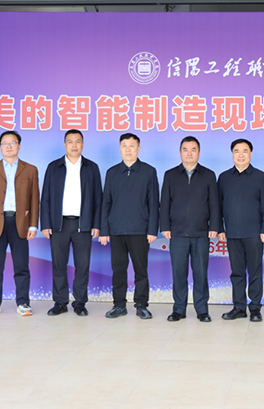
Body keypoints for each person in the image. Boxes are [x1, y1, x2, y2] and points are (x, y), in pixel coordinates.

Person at [40, 129, 102, 317]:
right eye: (70, 141)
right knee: (59, 264)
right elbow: (46, 197)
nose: (74, 145)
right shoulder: (54, 167)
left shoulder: (91, 167)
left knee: (82, 265)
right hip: (59, 224)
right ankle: (60, 302)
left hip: (83, 224)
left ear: (83, 144)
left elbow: (98, 198)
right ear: (65, 144)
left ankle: (80, 302)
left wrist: (96, 224)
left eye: (77, 141)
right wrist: (45, 223)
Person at [0, 130, 39, 317]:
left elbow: (35, 199)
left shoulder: (30, 169)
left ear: (19, 146)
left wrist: (33, 225)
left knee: (22, 266)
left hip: (20, 223)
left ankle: (23, 303)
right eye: (5, 143)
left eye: (13, 143)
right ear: (0, 147)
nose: (9, 146)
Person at [99, 133, 159, 320]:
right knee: (118, 270)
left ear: (138, 148)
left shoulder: (148, 171)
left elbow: (153, 203)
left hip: (140, 231)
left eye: (132, 145)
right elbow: (106, 203)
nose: (128, 149)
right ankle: (119, 305)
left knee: (141, 270)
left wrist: (152, 230)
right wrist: (104, 230)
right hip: (116, 230)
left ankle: (141, 305)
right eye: (124, 145)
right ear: (120, 148)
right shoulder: (112, 173)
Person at [161, 136, 221, 323]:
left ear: (199, 153)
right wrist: (165, 226)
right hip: (177, 234)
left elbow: (214, 204)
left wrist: (215, 226)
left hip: (201, 233)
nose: (189, 153)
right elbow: (164, 203)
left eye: (193, 149)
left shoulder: (208, 175)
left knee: (200, 274)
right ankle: (178, 309)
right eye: (185, 149)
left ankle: (202, 310)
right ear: (180, 152)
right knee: (178, 273)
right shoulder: (170, 175)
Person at [217, 139, 264, 322]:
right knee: (237, 272)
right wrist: (220, 229)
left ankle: (255, 307)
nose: (240, 155)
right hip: (232, 233)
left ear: (251, 154)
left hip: (254, 234)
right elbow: (217, 207)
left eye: (245, 151)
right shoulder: (224, 178)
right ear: (232, 154)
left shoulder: (260, 177)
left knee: (255, 272)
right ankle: (239, 307)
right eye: (237, 151)